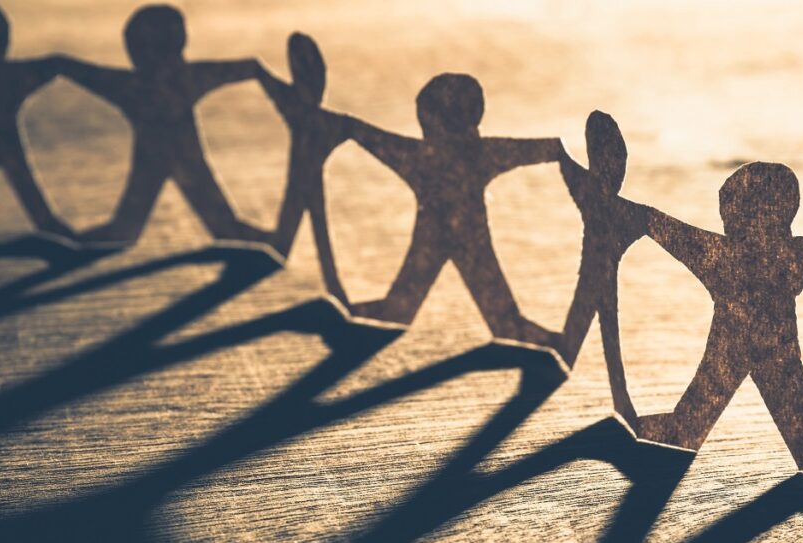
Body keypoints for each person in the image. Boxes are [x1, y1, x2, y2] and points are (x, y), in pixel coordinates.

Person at [638, 162, 803, 482]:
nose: (725, 216)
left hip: (741, 355)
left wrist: (634, 215)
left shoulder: (724, 254)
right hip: (775, 357)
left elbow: (659, 225)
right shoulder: (793, 255)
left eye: (730, 208)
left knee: (686, 429)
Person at [346, 73, 562, 345]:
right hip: (468, 238)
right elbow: (544, 149)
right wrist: (565, 156)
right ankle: (543, 340)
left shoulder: (423, 157)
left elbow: (375, 139)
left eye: (425, 120)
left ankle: (354, 318)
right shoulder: (481, 153)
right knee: (498, 315)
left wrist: (349, 128)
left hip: (438, 237)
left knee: (402, 307)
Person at [54, 4, 271, 247]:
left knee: (127, 228)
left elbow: (75, 70)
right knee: (218, 225)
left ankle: (74, 244)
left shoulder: (132, 86)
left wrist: (55, 66)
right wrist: (281, 92)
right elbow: (251, 68)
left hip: (161, 160)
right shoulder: (185, 79)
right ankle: (264, 242)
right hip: (175, 161)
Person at [554, 110, 650, 429]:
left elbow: (559, 156)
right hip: (597, 275)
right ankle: (619, 400)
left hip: (597, 275)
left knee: (593, 327)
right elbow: (560, 156)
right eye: (610, 162)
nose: (616, 171)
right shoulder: (621, 207)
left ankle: (562, 366)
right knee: (602, 330)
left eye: (618, 162)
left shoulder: (620, 207)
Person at [0, 1, 74, 242]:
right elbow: (55, 65)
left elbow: (54, 65)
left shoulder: (3, 77)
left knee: (3, 182)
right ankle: (48, 225)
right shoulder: (9, 77)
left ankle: (48, 225)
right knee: (18, 182)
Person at [257, 32, 351, 303]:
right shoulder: (318, 116)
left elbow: (262, 75)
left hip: (302, 179)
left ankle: (333, 287)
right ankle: (334, 288)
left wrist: (255, 68)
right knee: (309, 233)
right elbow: (360, 131)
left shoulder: (295, 105)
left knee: (302, 232)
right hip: (303, 180)